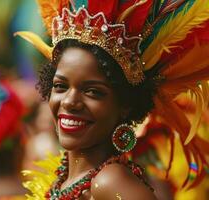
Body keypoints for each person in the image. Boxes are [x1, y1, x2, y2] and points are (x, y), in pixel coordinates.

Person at [16, 0, 209, 199]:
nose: (68, 101)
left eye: (92, 91)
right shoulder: (65, 176)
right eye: (60, 86)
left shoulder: (110, 182)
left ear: (125, 104)